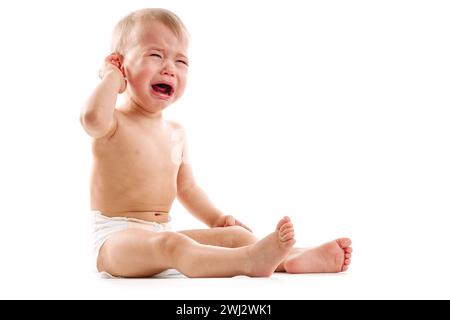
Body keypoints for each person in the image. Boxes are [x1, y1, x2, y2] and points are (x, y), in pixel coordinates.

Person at [80, 8, 352, 278]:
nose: (169, 68)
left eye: (181, 61)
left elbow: (187, 188)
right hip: (114, 240)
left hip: (159, 234)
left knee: (234, 235)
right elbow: (90, 118)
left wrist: (216, 220)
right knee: (173, 245)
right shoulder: (113, 122)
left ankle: (294, 258)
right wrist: (112, 76)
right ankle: (247, 262)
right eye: (155, 55)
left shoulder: (175, 132)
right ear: (120, 63)